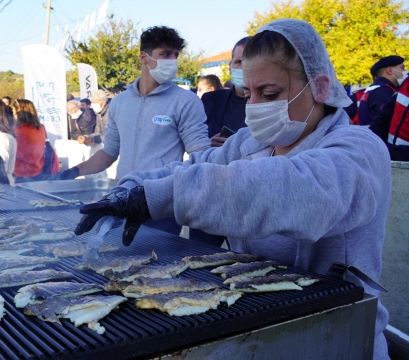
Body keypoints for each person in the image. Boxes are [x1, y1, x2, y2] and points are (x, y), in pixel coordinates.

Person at [75, 19, 390, 359]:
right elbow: (192, 167)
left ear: (320, 87)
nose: (254, 106)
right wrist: (132, 189)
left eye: (269, 94)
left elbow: (291, 189)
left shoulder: (358, 150)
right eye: (248, 93)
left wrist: (161, 197)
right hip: (256, 328)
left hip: (334, 336)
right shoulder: (249, 143)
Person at [52, 26, 210, 236]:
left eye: (175, 55)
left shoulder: (186, 101)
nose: (172, 61)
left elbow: (201, 155)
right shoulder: (119, 102)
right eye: (164, 54)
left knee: (157, 265)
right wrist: (74, 171)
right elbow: (108, 154)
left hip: (160, 206)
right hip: (122, 200)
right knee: (114, 262)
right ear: (144, 57)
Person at [204, 37, 251, 148]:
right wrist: (207, 144)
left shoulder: (270, 105)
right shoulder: (210, 100)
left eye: (249, 62)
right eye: (239, 62)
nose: (244, 68)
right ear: (230, 66)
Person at [12, 99, 55, 182]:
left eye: (14, 112)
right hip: (39, 170)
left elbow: (13, 153)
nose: (13, 115)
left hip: (21, 174)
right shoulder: (41, 128)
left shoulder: (18, 131)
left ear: (19, 113)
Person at [370, 73, 409, 161]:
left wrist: (387, 151)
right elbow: (384, 117)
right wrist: (370, 142)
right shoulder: (406, 82)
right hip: (392, 159)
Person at [358, 55, 405, 127]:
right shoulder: (383, 92)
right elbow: (386, 123)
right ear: (389, 70)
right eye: (402, 68)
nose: (405, 71)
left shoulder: (375, 89)